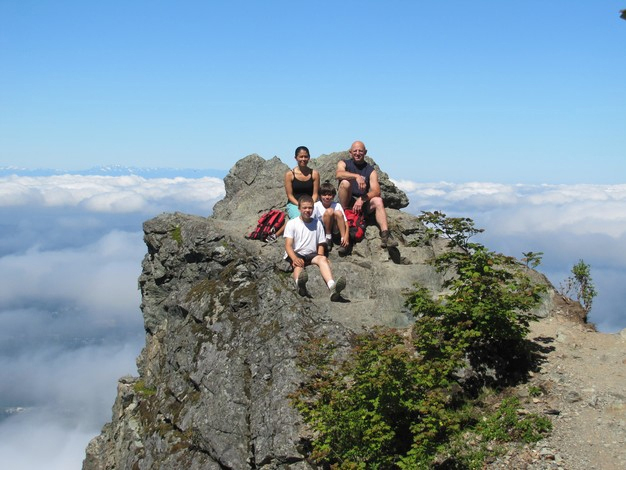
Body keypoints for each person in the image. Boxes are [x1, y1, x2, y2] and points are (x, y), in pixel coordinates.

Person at [283, 194, 346, 301]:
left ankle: (332, 287)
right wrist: (294, 258)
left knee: (322, 259)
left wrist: (321, 256)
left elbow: (321, 243)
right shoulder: (292, 223)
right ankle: (300, 285)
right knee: (298, 265)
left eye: (310, 208)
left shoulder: (317, 223)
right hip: (297, 253)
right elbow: (288, 245)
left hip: (311, 254)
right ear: (299, 209)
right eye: (304, 208)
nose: (307, 210)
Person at [336, 140, 398, 248]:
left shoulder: (370, 170)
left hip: (362, 203)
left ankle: (385, 235)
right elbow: (338, 174)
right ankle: (346, 213)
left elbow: (376, 191)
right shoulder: (344, 163)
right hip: (347, 201)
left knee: (378, 200)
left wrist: (362, 199)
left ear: (365, 152)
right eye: (355, 151)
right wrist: (356, 176)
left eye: (360, 151)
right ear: (350, 152)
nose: (357, 153)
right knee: (345, 183)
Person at [284, 146, 320, 220]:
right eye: (301, 157)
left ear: (309, 157)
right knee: (299, 218)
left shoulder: (314, 174)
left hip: (311, 203)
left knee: (317, 218)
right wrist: (301, 206)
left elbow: (315, 194)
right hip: (295, 204)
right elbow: (290, 195)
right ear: (296, 158)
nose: (303, 159)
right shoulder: (289, 175)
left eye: (305, 157)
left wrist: (309, 205)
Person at [312, 181, 349, 252]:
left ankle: (343, 241)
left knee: (338, 213)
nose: (327, 197)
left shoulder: (337, 205)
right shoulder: (316, 206)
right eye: (324, 195)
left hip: (335, 229)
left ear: (333, 196)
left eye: (329, 195)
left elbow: (345, 222)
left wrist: (346, 236)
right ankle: (328, 238)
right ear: (320, 196)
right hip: (323, 230)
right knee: (329, 211)